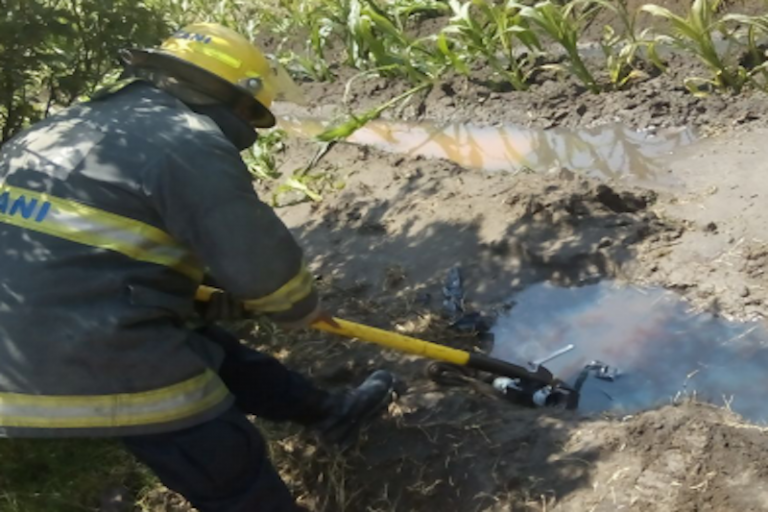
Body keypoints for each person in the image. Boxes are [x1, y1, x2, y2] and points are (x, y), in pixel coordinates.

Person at [0, 23, 394, 512]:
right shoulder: (184, 140)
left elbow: (81, 252)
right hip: (91, 355)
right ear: (233, 98)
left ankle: (329, 412)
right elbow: (260, 265)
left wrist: (198, 294)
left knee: (218, 354)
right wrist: (297, 309)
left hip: (23, 349)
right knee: (228, 469)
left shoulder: (56, 130)